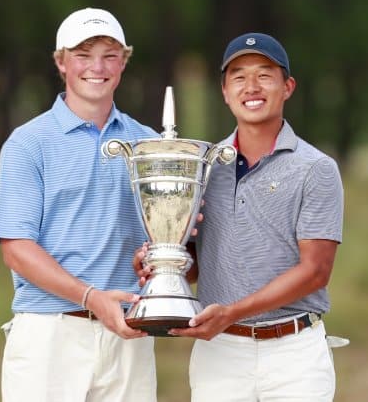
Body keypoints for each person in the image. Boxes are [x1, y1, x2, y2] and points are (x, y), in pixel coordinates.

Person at [137, 32, 344, 401]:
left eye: (265, 75)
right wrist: (165, 262)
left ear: (288, 87)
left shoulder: (316, 168)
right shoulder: (203, 168)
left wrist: (232, 312)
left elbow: (316, 271)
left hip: (294, 353)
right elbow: (201, 265)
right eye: (238, 76)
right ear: (224, 90)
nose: (251, 86)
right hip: (220, 355)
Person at [0, 7, 160, 402]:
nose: (96, 67)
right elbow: (17, 250)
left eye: (110, 54)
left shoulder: (149, 143)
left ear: (123, 62)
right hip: (50, 334)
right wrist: (91, 297)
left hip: (127, 331)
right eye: (83, 54)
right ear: (61, 62)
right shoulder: (28, 143)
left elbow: (166, 237)